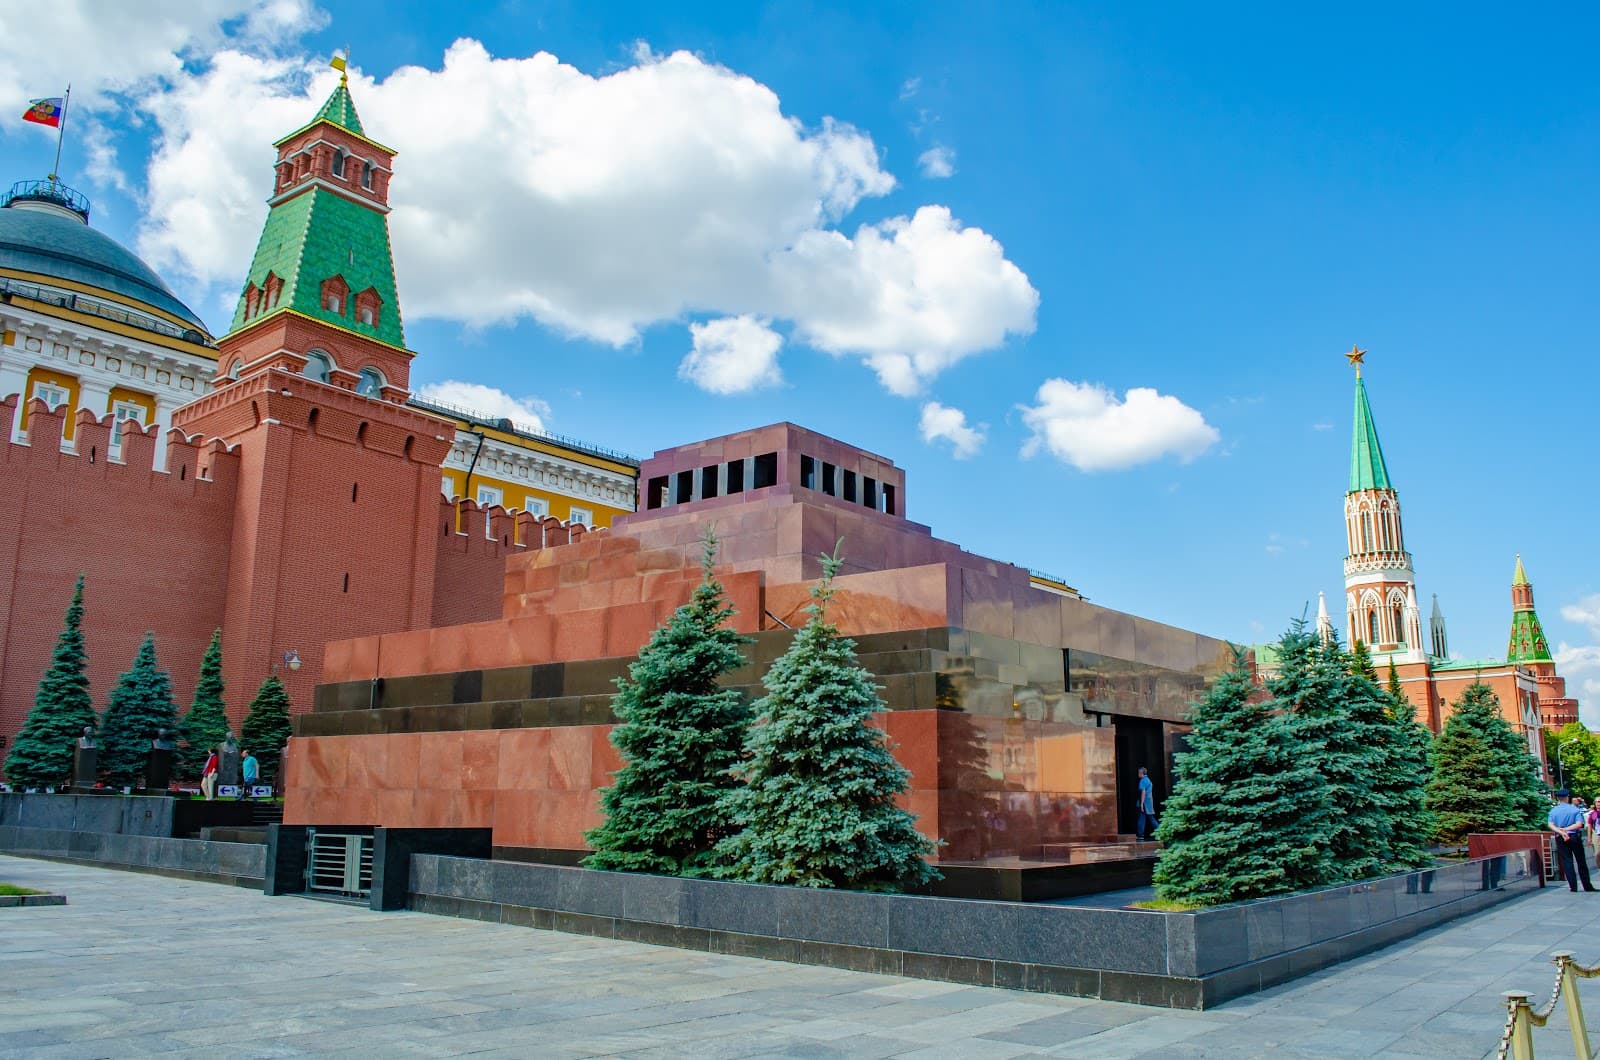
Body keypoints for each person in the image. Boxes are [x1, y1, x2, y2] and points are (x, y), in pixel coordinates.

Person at [1548, 789, 1596, 892]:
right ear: (1567, 797)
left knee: (1567, 862)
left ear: (1557, 798)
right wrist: (1566, 830)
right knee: (1581, 861)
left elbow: (1551, 824)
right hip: (1574, 837)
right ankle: (1587, 885)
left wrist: (1561, 832)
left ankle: (1573, 887)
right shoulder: (1574, 809)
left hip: (1561, 838)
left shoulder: (1553, 811)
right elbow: (1579, 824)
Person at [1135, 766, 1157, 841]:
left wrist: (1141, 803)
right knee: (1151, 818)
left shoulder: (1143, 780)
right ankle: (1160, 831)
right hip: (1149, 802)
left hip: (1144, 803)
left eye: (1138, 773)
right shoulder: (1148, 780)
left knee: (1141, 818)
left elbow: (1143, 792)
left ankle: (1140, 834)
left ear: (1141, 773)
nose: (1138, 774)